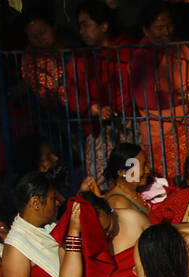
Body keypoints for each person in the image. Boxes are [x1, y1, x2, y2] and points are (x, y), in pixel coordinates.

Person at [131, 2, 189, 181]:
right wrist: (184, 98)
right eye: (160, 27)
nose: (167, 31)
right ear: (146, 30)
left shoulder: (179, 48)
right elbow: (145, 98)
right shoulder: (142, 56)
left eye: (169, 26)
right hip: (162, 128)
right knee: (171, 181)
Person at [64, 0, 135, 184]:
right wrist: (92, 107)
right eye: (80, 26)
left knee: (133, 179)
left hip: (130, 126)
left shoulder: (126, 50)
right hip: (97, 131)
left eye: (86, 25)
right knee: (100, 183)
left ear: (104, 25)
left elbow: (136, 87)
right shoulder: (80, 59)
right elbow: (70, 93)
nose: (82, 32)